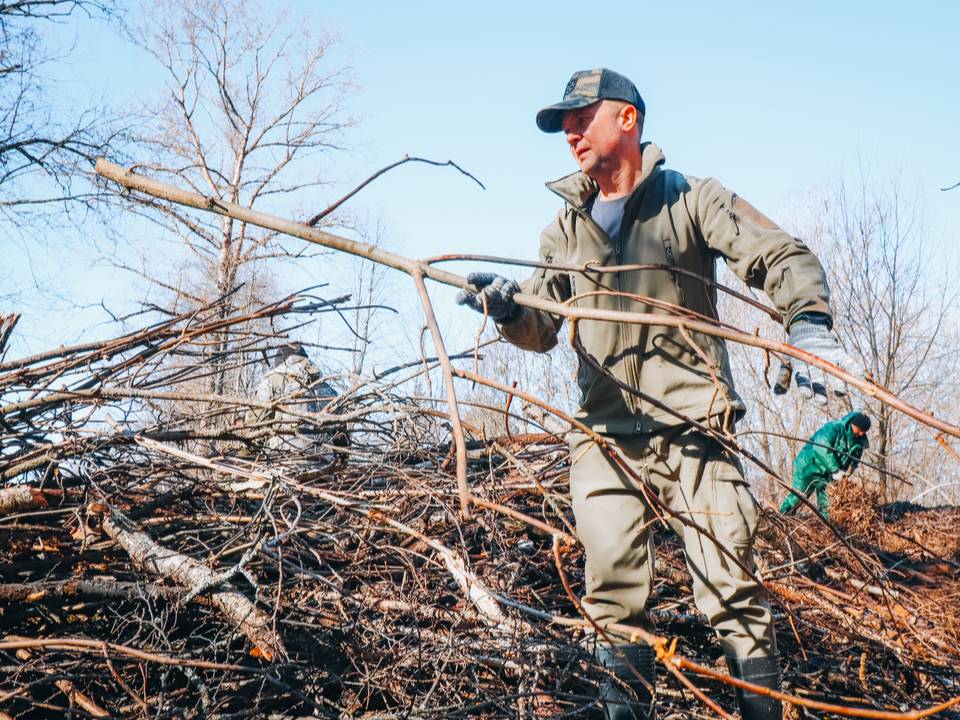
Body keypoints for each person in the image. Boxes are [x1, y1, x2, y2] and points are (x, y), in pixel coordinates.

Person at [455, 68, 862, 720]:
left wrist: (808, 322)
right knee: (612, 600)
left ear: (627, 119)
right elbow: (542, 329)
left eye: (581, 117)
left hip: (695, 428)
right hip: (604, 438)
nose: (570, 133)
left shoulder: (690, 200)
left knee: (731, 592)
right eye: (563, 124)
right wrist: (508, 313)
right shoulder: (564, 230)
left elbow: (782, 255)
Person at [245, 342, 347, 453]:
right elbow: (341, 440)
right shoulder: (329, 391)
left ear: (280, 362)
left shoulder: (271, 383)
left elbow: (253, 429)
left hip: (280, 462)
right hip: (324, 462)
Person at [781, 411, 871, 518]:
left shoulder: (858, 446)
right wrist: (836, 470)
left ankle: (824, 531)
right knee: (798, 498)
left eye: (864, 432)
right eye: (860, 430)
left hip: (827, 477)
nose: (861, 434)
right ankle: (781, 519)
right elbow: (820, 447)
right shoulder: (834, 428)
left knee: (828, 507)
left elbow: (854, 463)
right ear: (853, 424)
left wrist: (845, 474)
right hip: (808, 466)